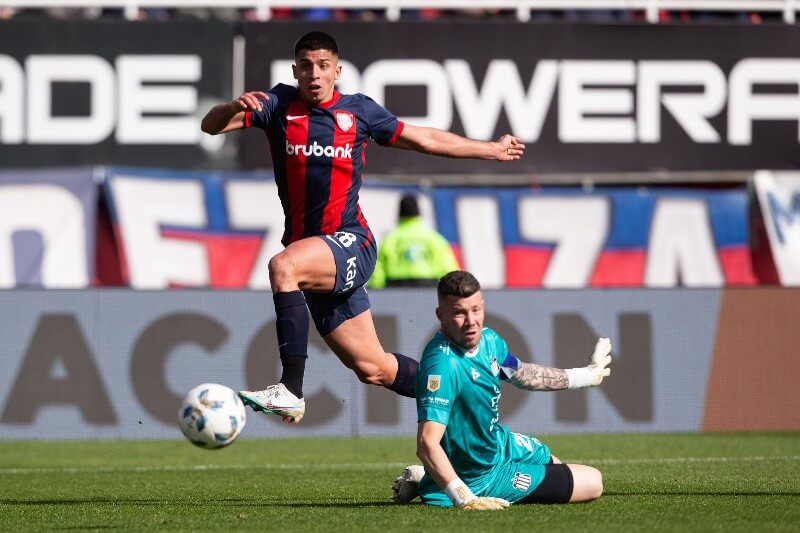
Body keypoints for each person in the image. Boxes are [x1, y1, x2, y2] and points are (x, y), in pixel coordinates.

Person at [200, 32, 525, 423]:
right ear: (295, 70)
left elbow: (423, 138)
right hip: (315, 254)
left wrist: (489, 149)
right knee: (373, 368)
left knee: (283, 267)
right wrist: (232, 105)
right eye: (305, 66)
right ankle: (461, 395)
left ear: (337, 71)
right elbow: (210, 126)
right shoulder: (277, 105)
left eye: (323, 66)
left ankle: (290, 388)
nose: (314, 74)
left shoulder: (359, 113)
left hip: (351, 241)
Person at [392, 270, 611, 509]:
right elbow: (426, 444)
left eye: (476, 309)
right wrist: (464, 498)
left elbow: (522, 374)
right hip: (481, 476)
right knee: (593, 482)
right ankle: (436, 481)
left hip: (498, 443)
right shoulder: (442, 366)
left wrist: (586, 375)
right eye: (459, 313)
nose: (471, 321)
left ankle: (428, 477)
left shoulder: (489, 341)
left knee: (556, 465)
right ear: (441, 315)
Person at [368, 194, 460, 288]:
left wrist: (375, 293)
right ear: (419, 212)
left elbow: (377, 275)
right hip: (429, 290)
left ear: (399, 213)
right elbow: (450, 272)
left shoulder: (390, 239)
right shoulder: (435, 239)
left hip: (396, 291)